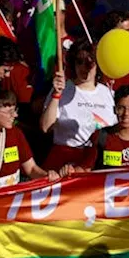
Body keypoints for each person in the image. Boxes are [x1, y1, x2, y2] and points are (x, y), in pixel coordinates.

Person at [41, 39, 116, 171]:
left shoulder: (107, 92)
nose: (84, 67)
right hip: (65, 159)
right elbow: (46, 127)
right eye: (79, 61)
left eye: (89, 62)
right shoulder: (62, 88)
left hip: (97, 160)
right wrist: (56, 95)